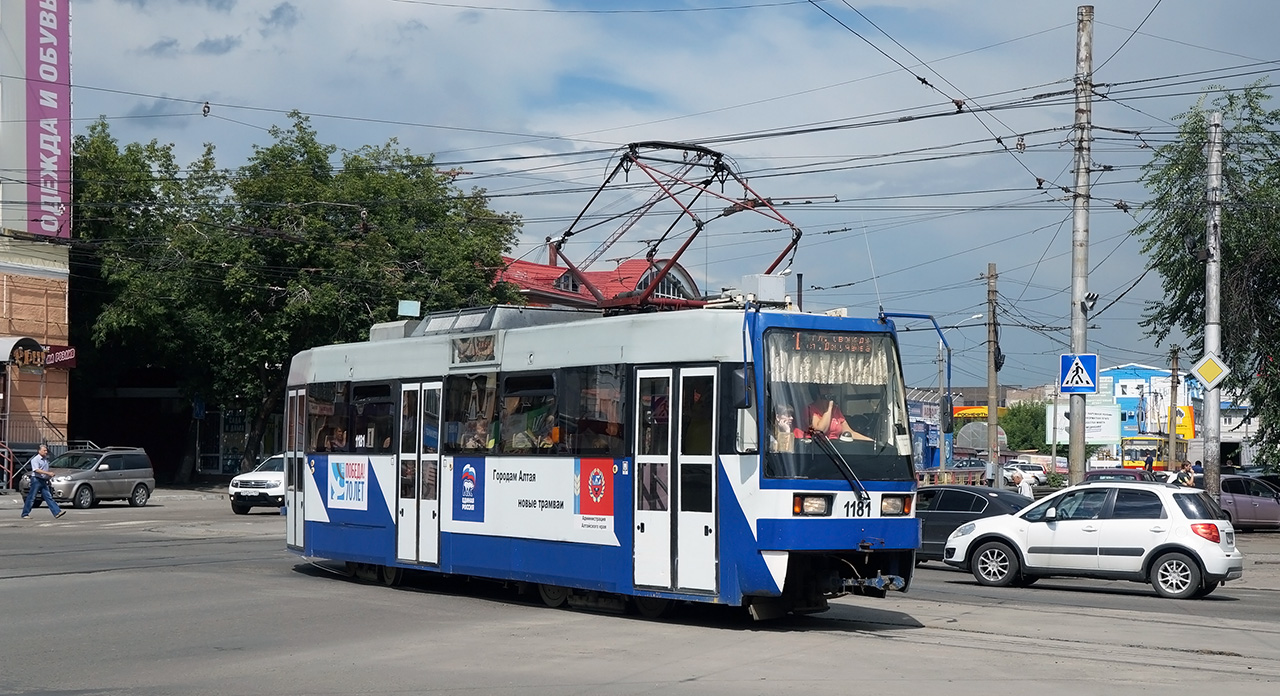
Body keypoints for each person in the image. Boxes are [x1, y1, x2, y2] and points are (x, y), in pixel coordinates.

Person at [805, 387, 871, 442]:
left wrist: (870, 441)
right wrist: (829, 408)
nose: (829, 390)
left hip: (836, 450)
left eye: (830, 387)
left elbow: (850, 432)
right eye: (825, 388)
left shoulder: (836, 410)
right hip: (821, 449)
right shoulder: (811, 409)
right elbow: (820, 431)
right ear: (817, 391)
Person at [21, 444, 66, 520]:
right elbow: (36, 470)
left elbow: (45, 469)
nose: (46, 452)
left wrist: (48, 478)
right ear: (39, 451)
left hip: (43, 480)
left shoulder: (45, 459)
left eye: (46, 450)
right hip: (36, 479)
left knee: (48, 497)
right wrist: (48, 473)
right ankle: (25, 513)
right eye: (44, 450)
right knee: (32, 497)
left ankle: (57, 512)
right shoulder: (35, 459)